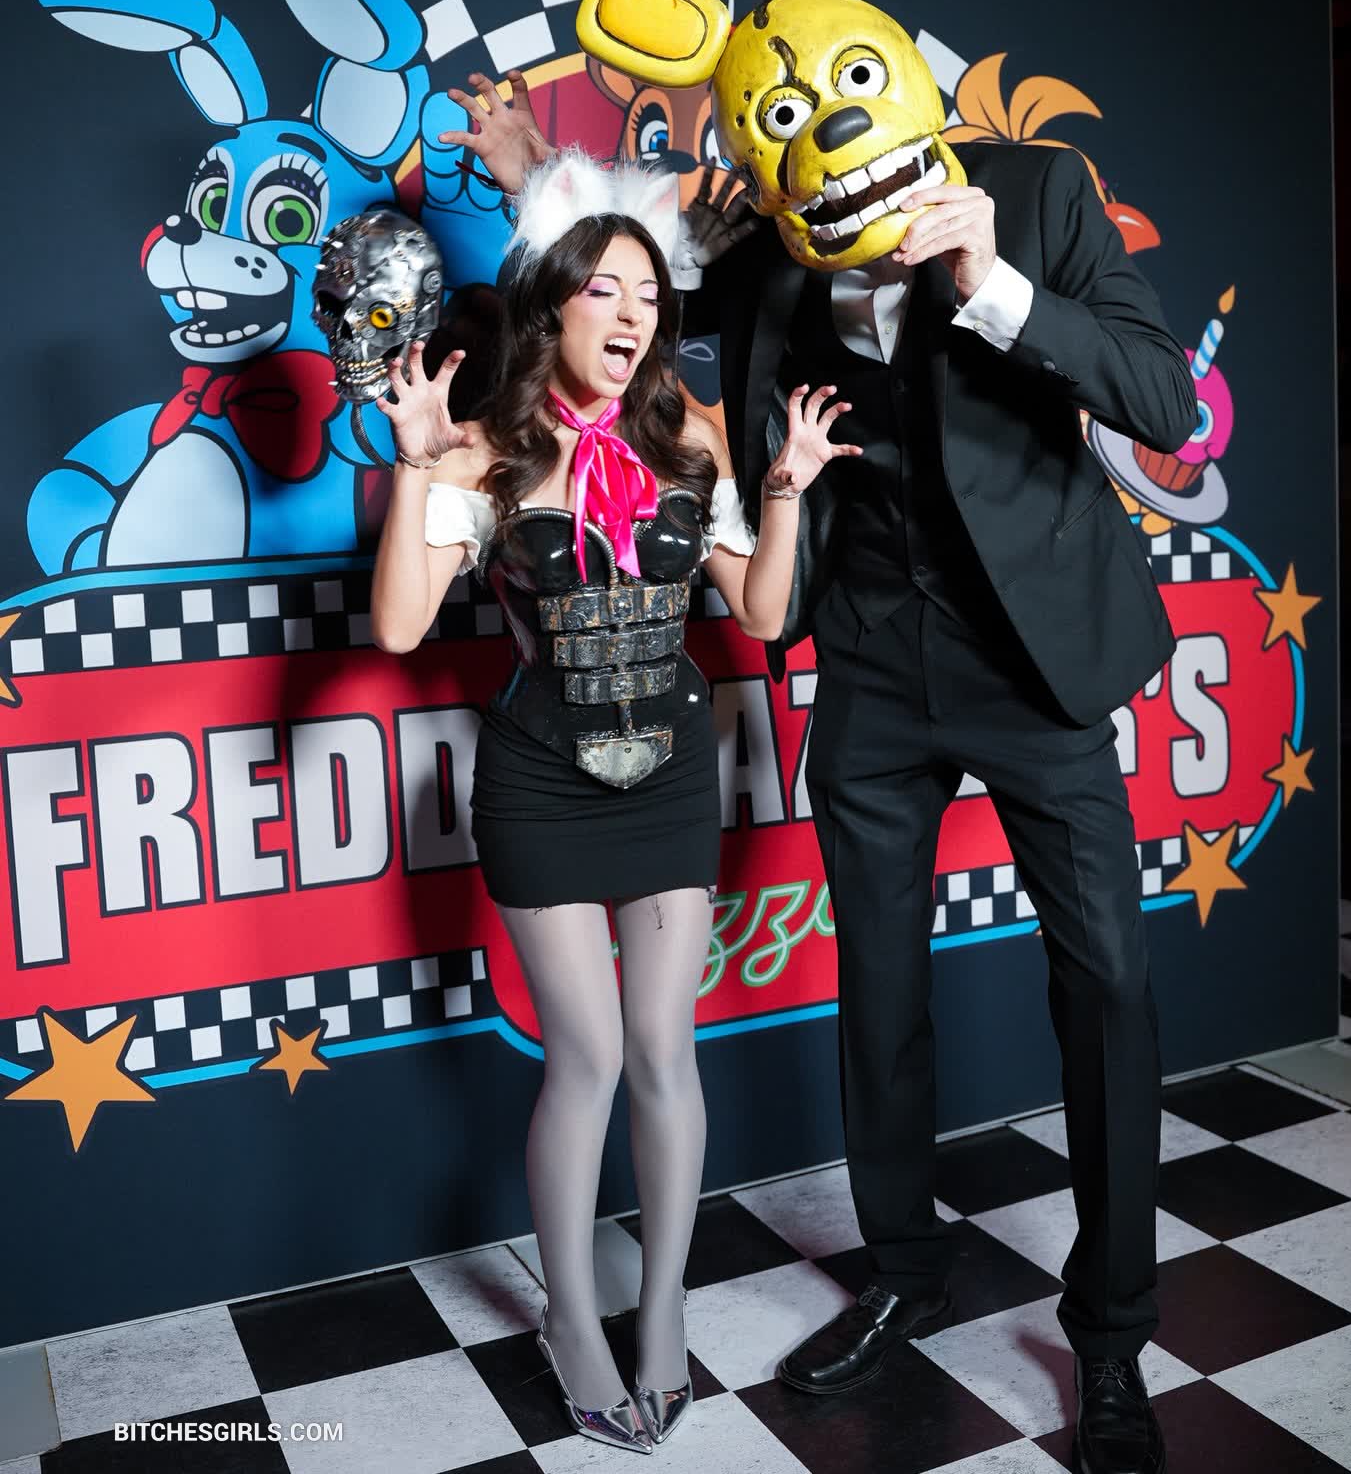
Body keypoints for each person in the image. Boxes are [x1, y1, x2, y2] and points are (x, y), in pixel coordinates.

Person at [442, 72, 1197, 1474]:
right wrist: (535, 166)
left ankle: (1109, 1337)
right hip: (871, 658)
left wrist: (997, 284)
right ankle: (906, 1269)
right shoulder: (780, 233)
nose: (810, 130)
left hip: (1033, 662)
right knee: (881, 990)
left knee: (1107, 984)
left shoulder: (1036, 194)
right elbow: (619, 292)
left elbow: (1162, 397)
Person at [368, 147, 856, 1456]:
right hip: (540, 783)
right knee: (585, 1059)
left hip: (673, 778)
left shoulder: (688, 436)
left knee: (662, 1052)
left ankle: (665, 1309)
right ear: (554, 306)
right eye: (606, 291)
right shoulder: (485, 449)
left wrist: (785, 493)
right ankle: (571, 1317)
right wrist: (414, 466)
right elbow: (403, 627)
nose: (634, 314)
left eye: (649, 294)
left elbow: (762, 616)